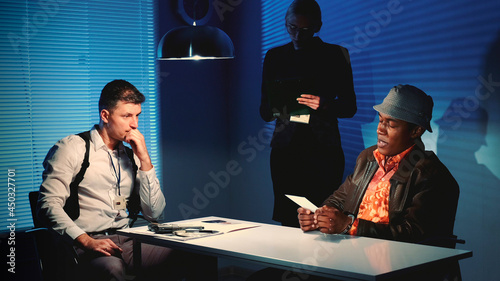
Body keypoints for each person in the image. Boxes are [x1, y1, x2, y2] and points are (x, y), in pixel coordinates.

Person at [37, 80, 211, 281]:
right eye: (127, 116)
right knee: (112, 268)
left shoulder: (131, 155)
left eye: (137, 115)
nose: (134, 124)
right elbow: (47, 205)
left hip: (129, 239)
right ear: (105, 115)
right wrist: (85, 240)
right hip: (86, 242)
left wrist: (145, 160)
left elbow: (156, 214)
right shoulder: (73, 148)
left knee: (196, 253)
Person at [297, 84, 460, 280]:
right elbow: (339, 199)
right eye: (381, 120)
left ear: (416, 131)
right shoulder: (368, 158)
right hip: (351, 262)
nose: (380, 129)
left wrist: (349, 226)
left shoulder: (431, 175)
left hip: (395, 271)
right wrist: (320, 216)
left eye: (391, 124)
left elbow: (414, 235)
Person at [260, 0, 357, 227]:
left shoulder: (335, 55)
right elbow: (264, 110)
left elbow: (350, 107)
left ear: (317, 27)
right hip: (286, 151)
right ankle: (288, 264)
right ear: (286, 24)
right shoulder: (275, 56)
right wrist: (281, 107)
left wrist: (324, 105)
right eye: (292, 28)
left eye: (304, 30)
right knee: (289, 220)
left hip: (323, 151)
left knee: (323, 218)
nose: (297, 35)